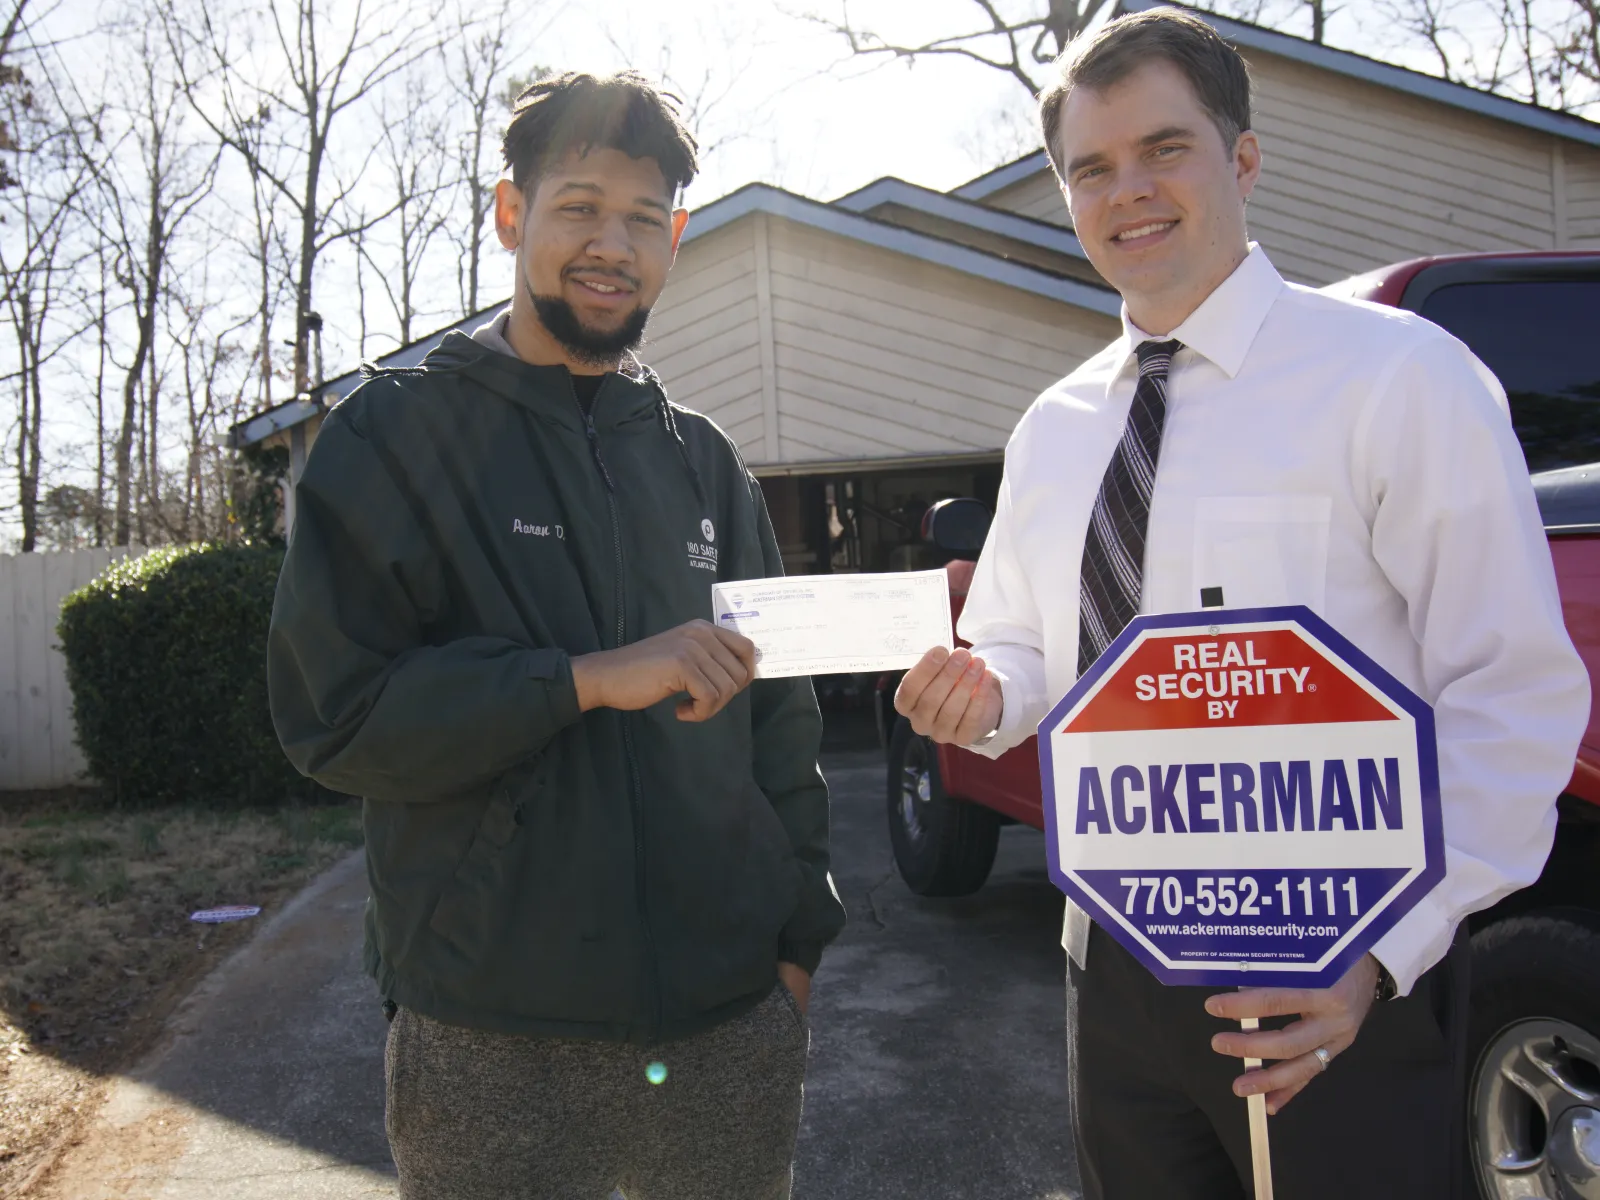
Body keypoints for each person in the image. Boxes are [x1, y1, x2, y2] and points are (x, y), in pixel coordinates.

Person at [892, 9, 1589, 1198]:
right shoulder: (1054, 429)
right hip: (1110, 962)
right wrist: (981, 693)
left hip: (1338, 964)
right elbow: (1018, 644)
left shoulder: (1396, 379)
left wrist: (1375, 954)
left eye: (1165, 148)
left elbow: (1511, 694)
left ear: (1244, 158)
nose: (1130, 191)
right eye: (1092, 168)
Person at [267, 71, 844, 1200]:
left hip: (726, 1026)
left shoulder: (701, 461)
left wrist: (795, 946)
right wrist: (581, 680)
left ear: (675, 237)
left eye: (640, 218)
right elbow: (335, 719)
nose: (609, 244)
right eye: (578, 205)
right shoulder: (395, 432)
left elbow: (783, 724)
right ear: (510, 213)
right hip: (488, 1039)